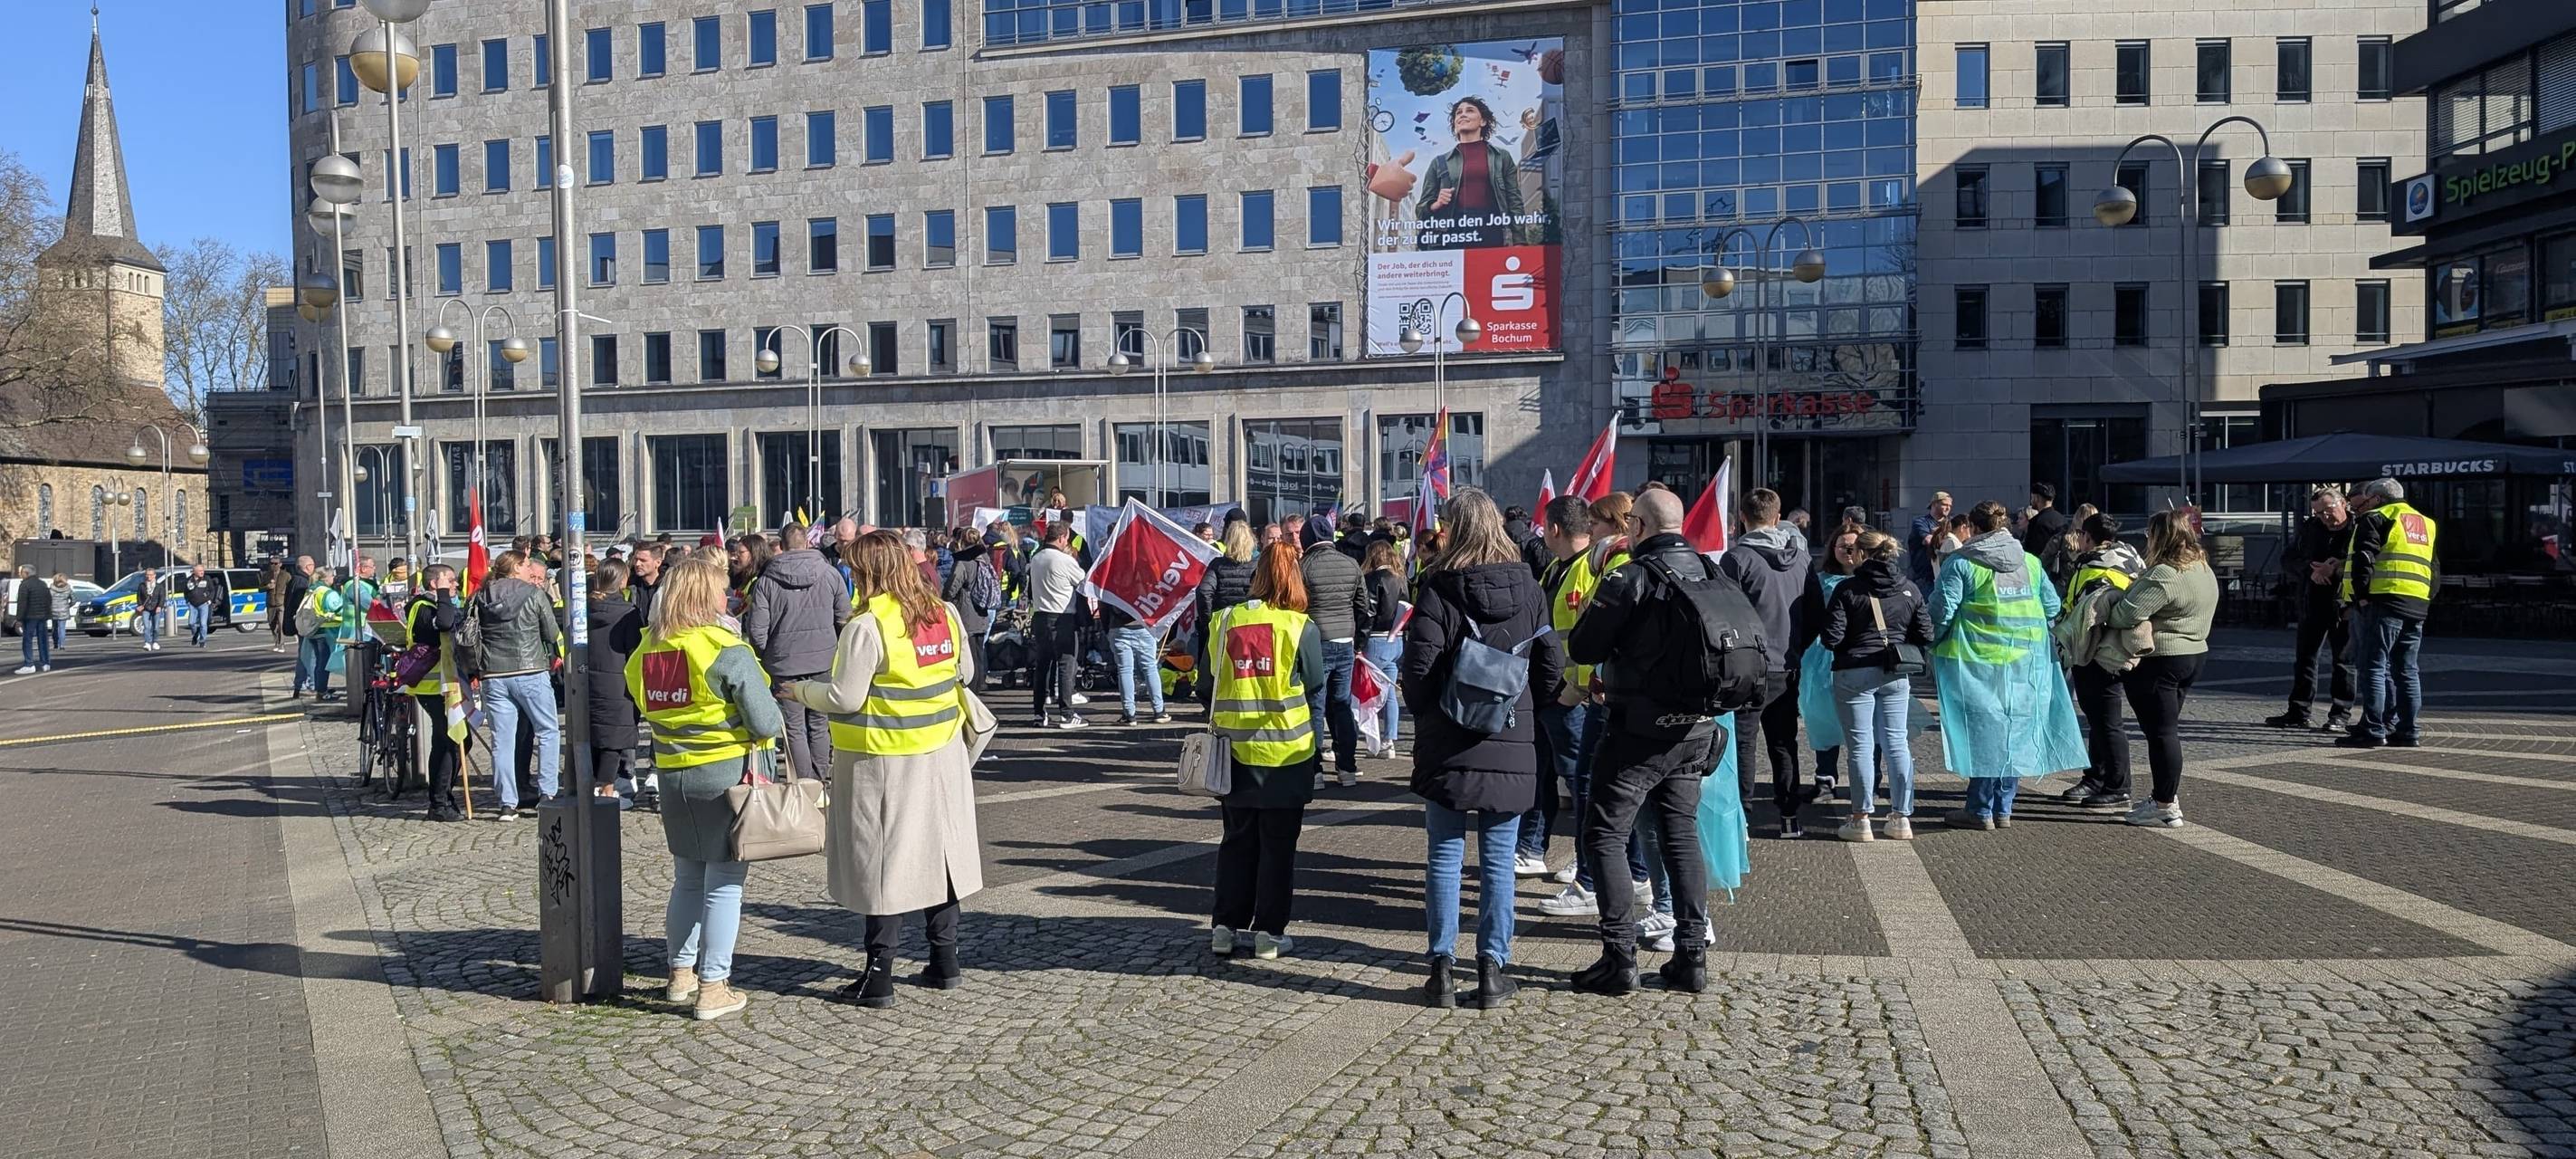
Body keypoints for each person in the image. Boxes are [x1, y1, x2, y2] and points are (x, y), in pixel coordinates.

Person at [781, 532, 986, 1007]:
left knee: (883, 865)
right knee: (943, 856)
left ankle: (879, 975)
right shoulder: (945, 614)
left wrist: (800, 692)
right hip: (943, 754)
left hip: (885, 760)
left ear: (869, 573)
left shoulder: (868, 626)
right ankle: (944, 961)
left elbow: (844, 697)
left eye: (855, 568)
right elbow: (967, 674)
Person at [1561, 488, 1729, 997]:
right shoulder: (1711, 571)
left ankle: (1619, 959)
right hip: (1697, 728)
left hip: (1639, 729)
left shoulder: (1630, 575)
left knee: (1605, 835)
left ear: (1637, 527)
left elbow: (1584, 644)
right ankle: (1691, 956)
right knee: (1680, 836)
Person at [1400, 489, 1562, 1009]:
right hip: (1512, 737)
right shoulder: (1531, 588)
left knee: (1444, 855)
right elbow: (1551, 669)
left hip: (1449, 737)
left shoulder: (1438, 588)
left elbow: (1418, 674)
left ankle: (1441, 969)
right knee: (1497, 860)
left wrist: (1431, 710)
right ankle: (1493, 970)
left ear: (1453, 529)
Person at [625, 554, 785, 1021]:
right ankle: (714, 986)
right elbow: (767, 720)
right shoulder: (723, 649)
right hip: (725, 776)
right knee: (725, 886)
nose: (726, 596)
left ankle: (680, 975)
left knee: (688, 880)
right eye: (720, 590)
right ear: (703, 597)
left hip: (673, 775)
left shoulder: (647, 652)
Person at [1930, 502, 2089, 830]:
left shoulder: (1961, 564)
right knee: (2014, 733)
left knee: (1984, 734)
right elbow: (2050, 605)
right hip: (2025, 664)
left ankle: (1980, 809)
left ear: (1972, 528)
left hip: (1974, 663)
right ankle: (2003, 807)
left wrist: (1930, 642)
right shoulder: (2029, 562)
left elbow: (1941, 613)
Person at [1203, 540, 1322, 962]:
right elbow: (1314, 682)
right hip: (1286, 756)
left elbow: (1206, 685)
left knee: (1235, 841)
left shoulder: (1225, 620)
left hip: (1232, 754)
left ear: (1256, 576)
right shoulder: (1299, 626)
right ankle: (1269, 934)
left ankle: (1223, 927)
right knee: (1278, 848)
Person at [2104, 511, 2218, 828]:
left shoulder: (2163, 574)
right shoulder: (2203, 569)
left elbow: (2125, 615)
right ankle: (2163, 798)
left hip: (2160, 660)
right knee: (2166, 731)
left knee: (2161, 734)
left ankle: (2165, 804)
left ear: (2158, 537)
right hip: (2195, 654)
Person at [1818, 531, 1933, 842]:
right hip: (1896, 673)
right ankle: (1900, 817)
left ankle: (1861, 818)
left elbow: (1831, 638)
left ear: (1862, 555)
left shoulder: (1848, 589)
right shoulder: (1908, 588)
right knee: (1897, 744)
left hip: (1854, 673)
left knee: (1860, 746)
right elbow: (1925, 633)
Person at [1718, 489, 1816, 838]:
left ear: (1743, 518)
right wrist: (1795, 647)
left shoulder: (1736, 559)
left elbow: (1724, 615)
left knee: (1744, 744)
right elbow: (1815, 612)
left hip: (1747, 666)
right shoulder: (1802, 560)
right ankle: (1790, 816)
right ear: (1778, 519)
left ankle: (1743, 820)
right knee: (1783, 741)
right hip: (1787, 665)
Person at [2051, 512, 2146, 810]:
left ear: (2088, 537)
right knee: (2101, 719)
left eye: (2081, 536)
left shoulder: (2091, 562)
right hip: (2119, 648)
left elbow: (2079, 607)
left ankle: (2118, 786)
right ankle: (2097, 777)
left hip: (2096, 648)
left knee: (2106, 720)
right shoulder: (2131, 556)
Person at [744, 522, 851, 782]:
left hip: (784, 665)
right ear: (807, 542)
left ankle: (804, 782)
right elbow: (844, 618)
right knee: (819, 722)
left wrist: (769, 656)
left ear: (781, 545)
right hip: (823, 659)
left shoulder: (766, 582)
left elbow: (757, 631)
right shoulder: (830, 574)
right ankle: (821, 777)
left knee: (794, 727)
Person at [2337, 477, 2438, 750]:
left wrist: (2362, 598)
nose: (2365, 505)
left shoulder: (2377, 518)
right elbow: (2434, 569)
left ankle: (2373, 729)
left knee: (2373, 666)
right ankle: (2409, 731)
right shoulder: (2426, 523)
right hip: (2415, 604)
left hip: (2383, 601)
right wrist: (2425, 600)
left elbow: (2364, 560)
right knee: (2407, 670)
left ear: (2378, 499)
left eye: (2367, 500)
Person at [472, 549, 565, 820]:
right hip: (530, 669)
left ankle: (507, 803)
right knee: (548, 731)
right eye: (526, 565)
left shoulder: (482, 594)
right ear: (516, 568)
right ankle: (547, 793)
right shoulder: (534, 594)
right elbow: (551, 632)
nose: (530, 570)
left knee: (502, 740)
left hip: (493, 674)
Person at [2269, 486, 2358, 732]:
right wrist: (2311, 570)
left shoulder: (2358, 528)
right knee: (2305, 659)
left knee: (2344, 662)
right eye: (2318, 513)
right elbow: (2288, 559)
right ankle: (2299, 711)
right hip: (2312, 601)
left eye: (2328, 510)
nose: (2325, 517)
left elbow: (2366, 561)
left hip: (2344, 605)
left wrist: (2337, 569)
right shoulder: (2311, 529)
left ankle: (2340, 714)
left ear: (2343, 504)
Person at [1793, 530, 1864, 805]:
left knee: (1867, 723)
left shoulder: (1873, 580)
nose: (1847, 550)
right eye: (1842, 545)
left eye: (1854, 546)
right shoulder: (1820, 581)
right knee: (1823, 719)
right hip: (1823, 659)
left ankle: (1870, 782)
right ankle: (1825, 779)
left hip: (1861, 656)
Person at [1300, 515, 1370, 786]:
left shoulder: (1304, 566)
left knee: (1314, 707)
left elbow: (1297, 604)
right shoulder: (1351, 564)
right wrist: (1358, 640)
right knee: (1342, 706)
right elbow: (1363, 606)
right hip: (1345, 642)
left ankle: (1315, 769)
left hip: (1315, 642)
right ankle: (1347, 768)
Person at [1415, 95, 1532, 249]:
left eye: (1469, 111)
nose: (1462, 114)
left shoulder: (1501, 157)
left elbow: (1514, 201)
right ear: (1455, 125)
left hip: (1491, 232)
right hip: (1451, 237)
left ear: (1483, 121)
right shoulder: (1438, 163)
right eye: (1458, 113)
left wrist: (1519, 241)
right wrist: (1435, 204)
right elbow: (1420, 210)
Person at [404, 565, 471, 821]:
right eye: (450, 581)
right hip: (432, 687)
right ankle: (439, 803)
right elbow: (444, 622)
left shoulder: (433, 605)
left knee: (457, 741)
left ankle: (444, 795)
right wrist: (444, 594)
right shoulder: (422, 608)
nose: (455, 586)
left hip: (445, 685)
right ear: (435, 584)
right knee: (448, 742)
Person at [585, 559, 646, 809]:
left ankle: (593, 786)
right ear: (622, 581)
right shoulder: (627, 613)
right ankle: (607, 790)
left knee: (595, 734)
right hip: (618, 680)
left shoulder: (584, 609)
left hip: (589, 678)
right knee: (614, 737)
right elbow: (636, 650)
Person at [1026, 522, 1088, 729]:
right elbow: (1084, 582)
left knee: (1042, 667)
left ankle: (1038, 713)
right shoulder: (1064, 560)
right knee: (1066, 665)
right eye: (1066, 539)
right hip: (1062, 618)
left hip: (1040, 617)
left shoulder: (1036, 559)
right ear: (1061, 538)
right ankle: (1067, 714)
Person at [1360, 541, 1407, 757]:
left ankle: (1372, 740)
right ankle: (1389, 740)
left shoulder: (1372, 579)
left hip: (1376, 640)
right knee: (1388, 694)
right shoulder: (1400, 579)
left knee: (1367, 694)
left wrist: (1359, 641)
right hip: (1396, 640)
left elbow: (1368, 612)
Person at [940, 529, 1001, 693]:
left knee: (969, 655)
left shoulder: (963, 562)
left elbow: (952, 587)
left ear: (962, 541)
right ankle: (980, 683)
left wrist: (944, 600)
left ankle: (971, 689)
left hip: (966, 612)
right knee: (979, 652)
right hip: (982, 611)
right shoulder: (984, 560)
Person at [1196, 522, 1258, 629]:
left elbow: (1203, 592)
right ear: (1250, 540)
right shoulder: (1258, 565)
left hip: (1223, 623)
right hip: (1250, 623)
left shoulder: (1217, 564)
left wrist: (1208, 622)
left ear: (1228, 540)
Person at [294, 566, 345, 697]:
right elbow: (339, 608)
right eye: (332, 576)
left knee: (318, 661)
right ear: (326, 578)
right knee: (324, 662)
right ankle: (322, 691)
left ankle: (320, 688)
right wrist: (343, 595)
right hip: (325, 630)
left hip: (313, 630)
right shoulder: (327, 592)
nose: (334, 578)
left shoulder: (313, 589)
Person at [1908, 492, 1953, 593]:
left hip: (1946, 576)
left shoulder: (1951, 524)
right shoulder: (1921, 522)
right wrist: (1948, 539)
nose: (1948, 508)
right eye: (1945, 505)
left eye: (1950, 506)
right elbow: (1929, 541)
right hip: (1926, 577)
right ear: (1934, 504)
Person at [2021, 483, 2070, 573]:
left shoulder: (2036, 522)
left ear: (2037, 498)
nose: (2031, 500)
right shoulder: (2062, 520)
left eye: (2032, 497)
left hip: (2041, 570)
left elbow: (2030, 552)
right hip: (2060, 571)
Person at [14, 565, 52, 674]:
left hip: (30, 616)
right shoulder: (42, 584)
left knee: (28, 640)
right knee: (43, 640)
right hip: (42, 616)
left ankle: (29, 664)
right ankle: (45, 663)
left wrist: (19, 619)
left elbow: (22, 603)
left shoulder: (25, 585)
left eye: (21, 573)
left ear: (26, 573)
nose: (20, 575)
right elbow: (49, 600)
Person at [184, 564, 219, 648]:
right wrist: (187, 601)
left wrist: (210, 600)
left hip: (204, 604)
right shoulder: (189, 580)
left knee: (203, 624)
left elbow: (212, 590)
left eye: (202, 570)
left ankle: (202, 641)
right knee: (191, 623)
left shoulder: (207, 579)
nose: (202, 572)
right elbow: (185, 592)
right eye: (200, 571)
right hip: (192, 604)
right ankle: (196, 635)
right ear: (194, 572)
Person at [628, 543, 665, 621]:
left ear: (658, 562)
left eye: (643, 560)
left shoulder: (668, 586)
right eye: (636, 559)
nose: (637, 564)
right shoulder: (630, 584)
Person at [135, 568, 165, 652]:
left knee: (156, 627)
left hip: (156, 608)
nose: (149, 577)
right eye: (147, 575)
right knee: (146, 626)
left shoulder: (159, 586)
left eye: (151, 575)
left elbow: (162, 597)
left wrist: (160, 606)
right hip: (146, 608)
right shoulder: (142, 586)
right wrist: (140, 605)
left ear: (155, 576)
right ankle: (147, 643)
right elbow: (139, 597)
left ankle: (155, 642)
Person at [48, 572, 73, 652]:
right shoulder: (68, 589)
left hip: (53, 610)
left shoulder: (51, 589)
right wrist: (68, 606)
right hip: (64, 610)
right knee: (62, 628)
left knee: (54, 628)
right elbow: (74, 599)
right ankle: (62, 645)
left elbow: (47, 599)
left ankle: (55, 644)